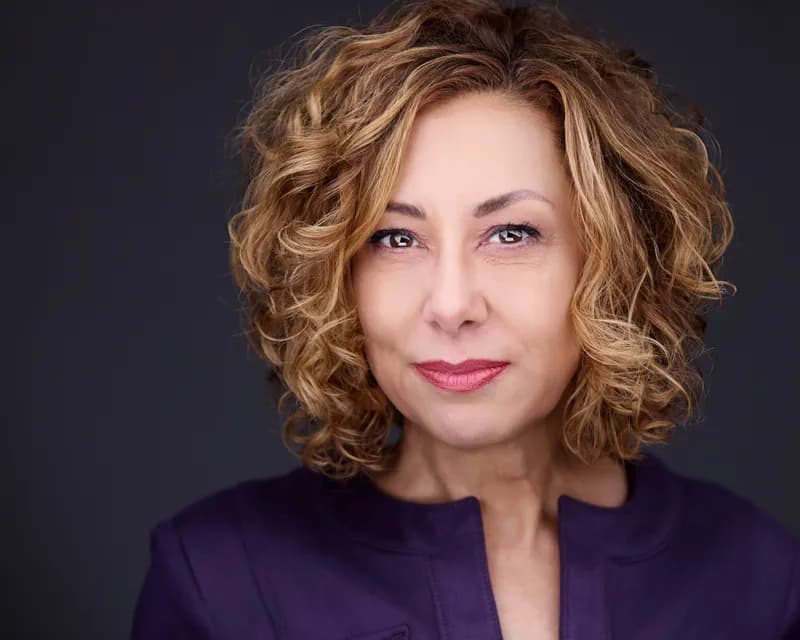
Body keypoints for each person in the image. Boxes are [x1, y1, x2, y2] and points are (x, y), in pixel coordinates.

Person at [130, 0, 800, 638]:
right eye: (395, 238)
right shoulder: (220, 583)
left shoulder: (755, 581)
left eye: (511, 234)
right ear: (335, 277)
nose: (450, 306)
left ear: (614, 262)